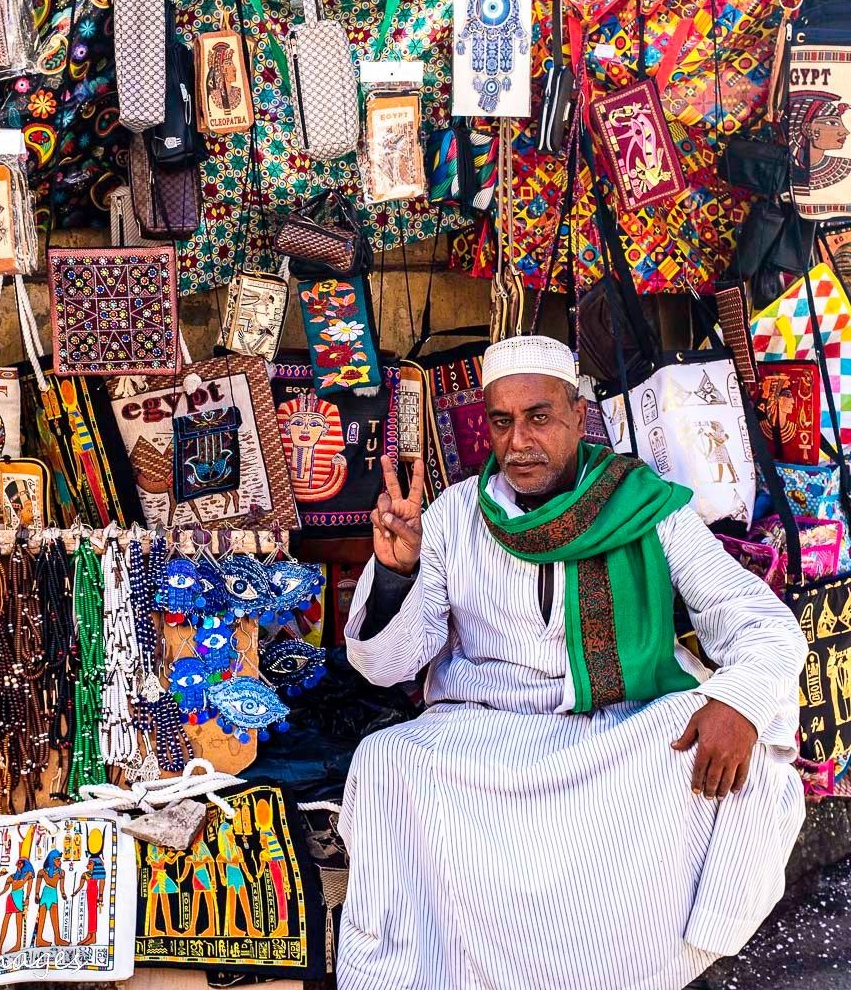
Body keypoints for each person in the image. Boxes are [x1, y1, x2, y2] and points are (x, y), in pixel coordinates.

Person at [337, 335, 809, 990]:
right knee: (386, 762)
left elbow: (756, 622)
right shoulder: (452, 517)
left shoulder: (647, 508)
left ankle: (630, 963)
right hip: (483, 735)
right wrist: (396, 575)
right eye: (502, 422)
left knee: (741, 751)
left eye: (538, 417)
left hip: (615, 737)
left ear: (577, 416)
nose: (520, 440)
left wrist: (739, 703)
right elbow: (391, 665)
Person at [0, 855, 34, 955]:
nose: (18, 864)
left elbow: (29, 887)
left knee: (18, 923)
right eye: (18, 862)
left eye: (21, 863)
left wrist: (27, 898)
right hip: (10, 898)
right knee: (5, 922)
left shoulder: (28, 875)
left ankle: (17, 945)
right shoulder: (11, 876)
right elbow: (5, 889)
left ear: (25, 865)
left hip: (19, 899)